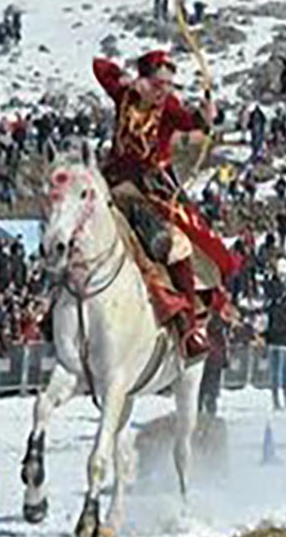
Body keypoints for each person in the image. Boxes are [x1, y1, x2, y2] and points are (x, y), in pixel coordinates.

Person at [92, 52, 238, 360]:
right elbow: (99, 67)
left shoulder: (168, 107)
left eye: (169, 84)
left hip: (151, 188)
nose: (164, 89)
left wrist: (205, 117)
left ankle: (187, 324)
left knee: (175, 243)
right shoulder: (126, 94)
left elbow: (190, 122)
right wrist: (126, 80)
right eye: (159, 82)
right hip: (115, 181)